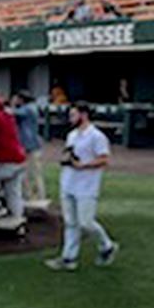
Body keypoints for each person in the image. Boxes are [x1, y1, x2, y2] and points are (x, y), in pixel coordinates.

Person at [46, 102, 119, 271]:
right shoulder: (72, 135)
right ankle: (69, 258)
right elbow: (70, 154)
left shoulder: (96, 136)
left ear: (83, 115)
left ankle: (107, 246)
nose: (70, 118)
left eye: (73, 114)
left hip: (87, 186)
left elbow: (104, 159)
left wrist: (83, 165)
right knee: (71, 222)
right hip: (68, 182)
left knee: (86, 222)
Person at [11, 90, 46, 202]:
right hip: (32, 144)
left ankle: (35, 196)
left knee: (31, 173)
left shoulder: (28, 109)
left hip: (30, 145)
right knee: (32, 173)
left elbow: (12, 113)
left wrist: (12, 104)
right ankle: (33, 196)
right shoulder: (32, 107)